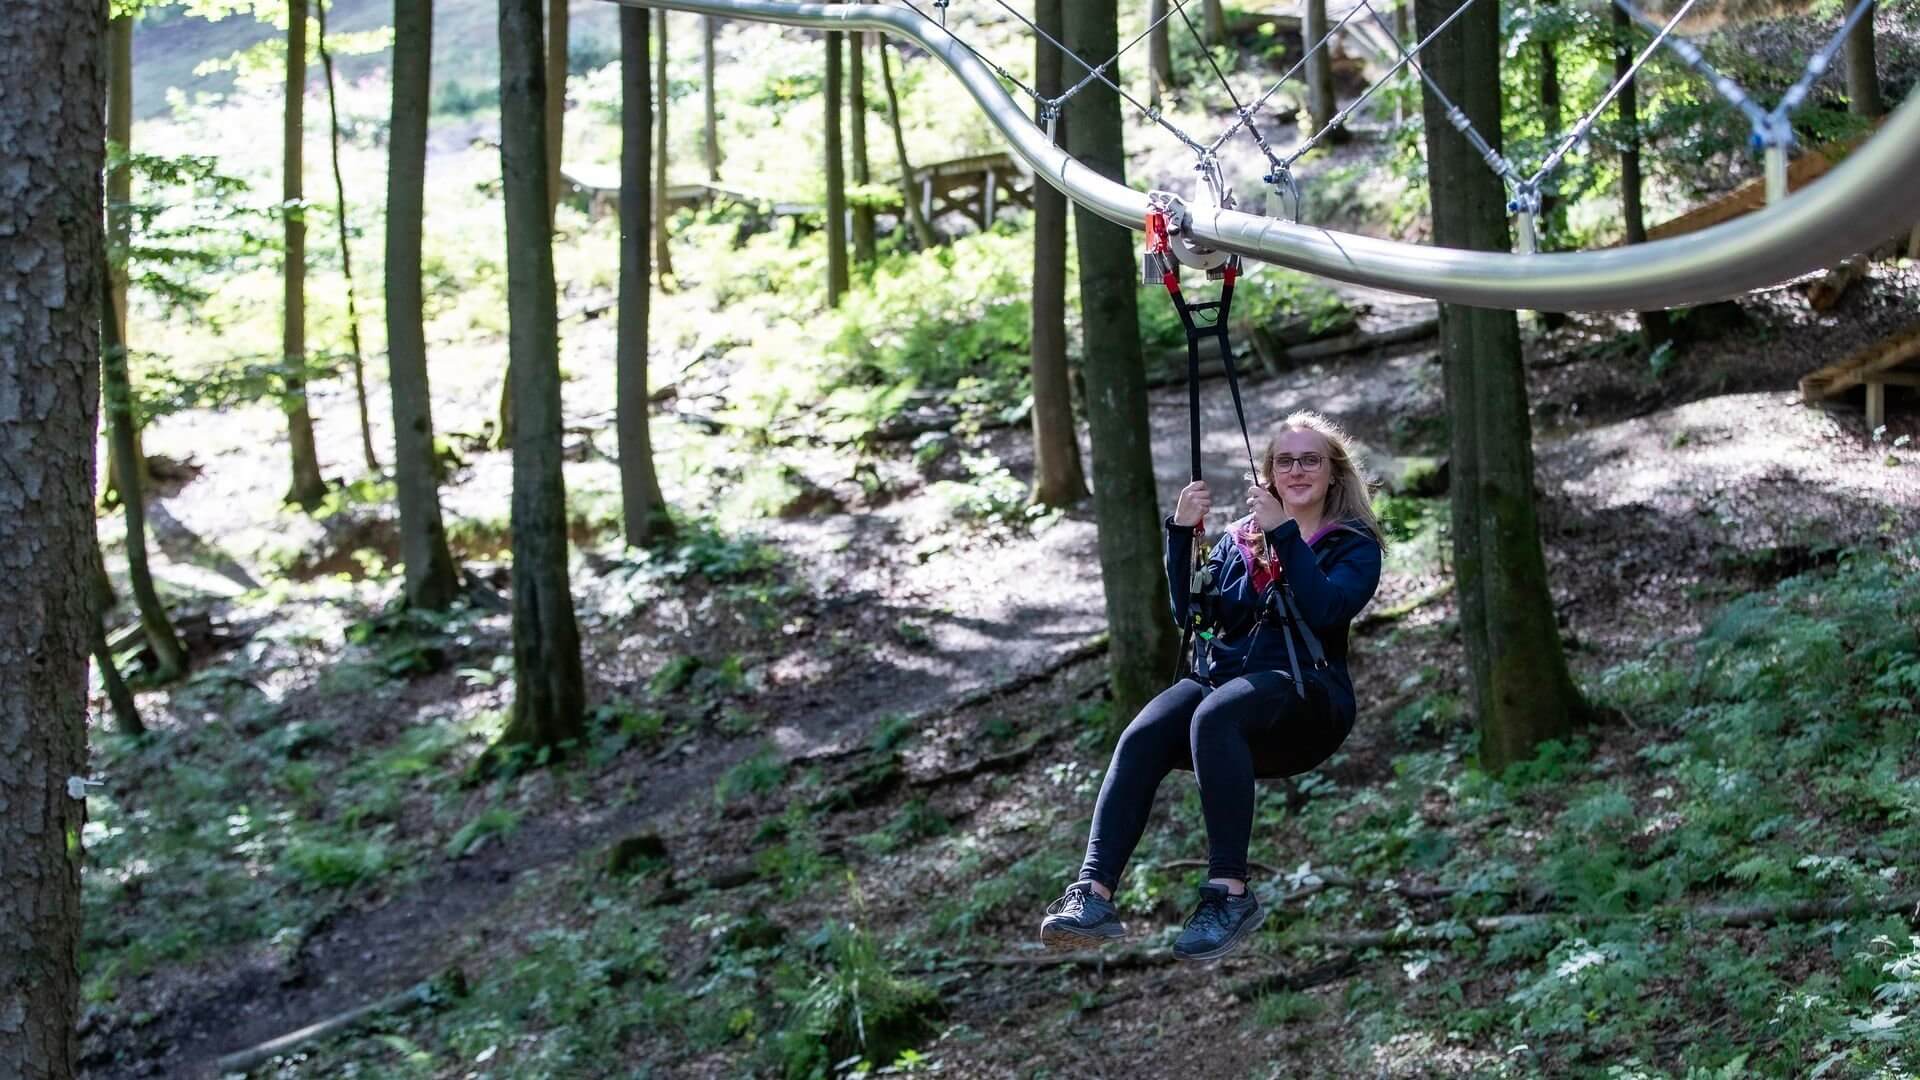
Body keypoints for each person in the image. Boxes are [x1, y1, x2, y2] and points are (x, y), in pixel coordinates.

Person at [1039, 410, 1385, 961]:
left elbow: (1325, 609)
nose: (1297, 471)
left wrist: (1284, 535)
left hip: (1308, 700)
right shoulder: (1238, 542)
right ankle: (1093, 893)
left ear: (1333, 472)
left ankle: (1229, 891)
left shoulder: (1353, 545)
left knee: (1214, 714)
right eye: (1285, 461)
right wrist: (1181, 534)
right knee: (1144, 733)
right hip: (1229, 685)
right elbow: (1192, 614)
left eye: (1310, 460)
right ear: (1270, 471)